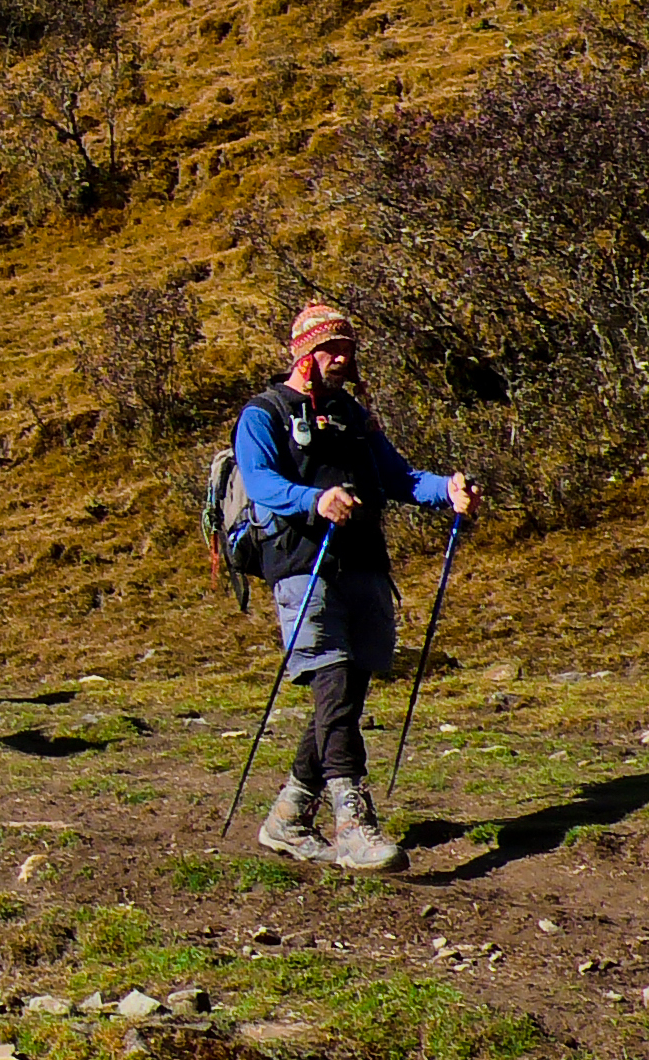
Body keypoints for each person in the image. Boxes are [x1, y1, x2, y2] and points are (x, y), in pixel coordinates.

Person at [235, 303, 481, 871]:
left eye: (349, 350)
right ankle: (352, 822)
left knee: (344, 692)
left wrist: (448, 489)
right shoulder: (263, 414)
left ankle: (289, 817)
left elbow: (396, 477)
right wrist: (314, 501)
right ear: (304, 354)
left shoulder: (354, 415)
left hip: (365, 562)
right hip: (302, 563)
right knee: (336, 678)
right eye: (333, 351)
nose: (344, 360)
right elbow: (261, 481)